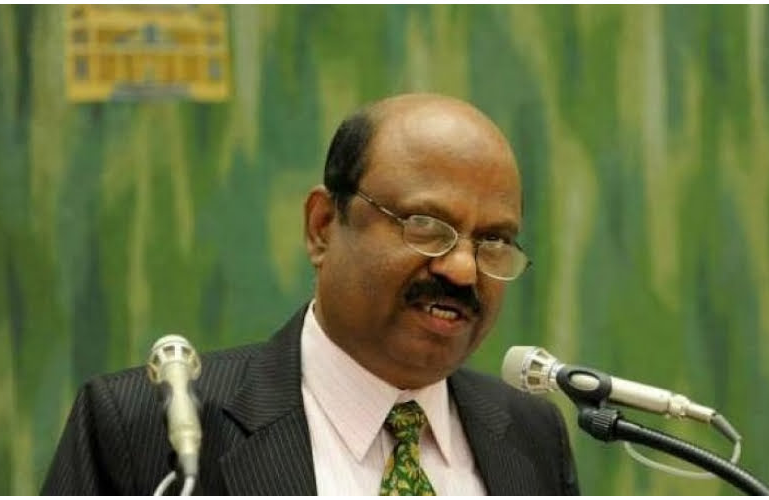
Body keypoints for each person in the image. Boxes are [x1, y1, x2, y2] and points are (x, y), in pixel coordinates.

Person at [41, 93, 579, 495]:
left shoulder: (531, 436)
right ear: (322, 227)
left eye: (494, 241)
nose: (461, 269)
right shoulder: (149, 430)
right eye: (424, 225)